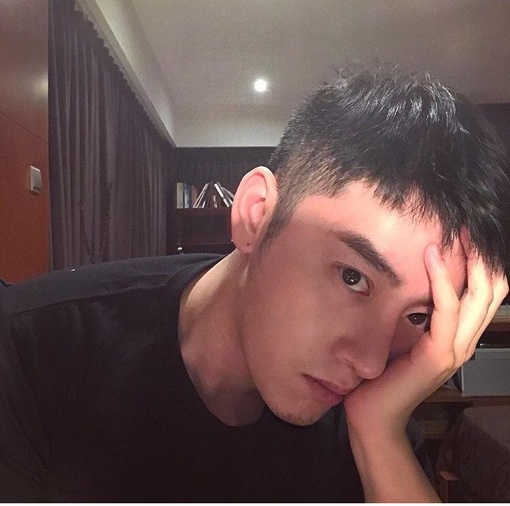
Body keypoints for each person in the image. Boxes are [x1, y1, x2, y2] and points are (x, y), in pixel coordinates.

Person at [1, 63, 509, 502]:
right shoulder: (33, 351)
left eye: (417, 315)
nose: (371, 363)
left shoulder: (373, 422)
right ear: (256, 215)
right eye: (353, 276)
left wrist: (380, 436)